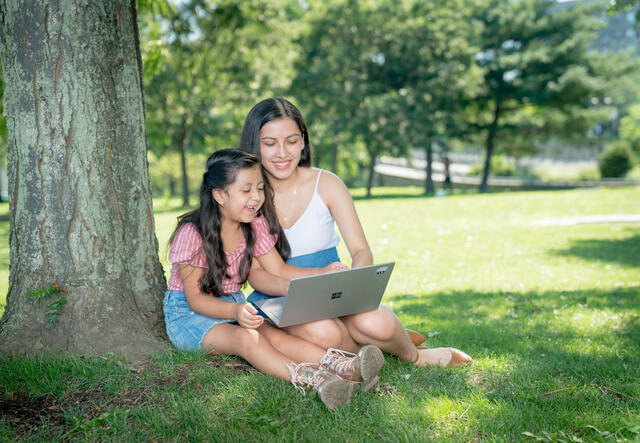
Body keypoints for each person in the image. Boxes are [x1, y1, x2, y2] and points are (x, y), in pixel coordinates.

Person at [239, 98, 472, 368]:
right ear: (255, 145)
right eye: (270, 144)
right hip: (279, 294)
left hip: (333, 287)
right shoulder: (247, 196)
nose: (282, 153)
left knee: (376, 322)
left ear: (303, 141)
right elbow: (257, 275)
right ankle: (379, 350)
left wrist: (354, 290)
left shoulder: (326, 184)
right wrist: (303, 288)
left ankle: (414, 356)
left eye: (291, 141)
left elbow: (361, 251)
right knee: (325, 333)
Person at [163, 149, 384, 410]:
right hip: (189, 315)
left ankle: (346, 368)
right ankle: (316, 380)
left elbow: (278, 270)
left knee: (273, 335)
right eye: (246, 190)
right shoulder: (192, 233)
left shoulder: (253, 226)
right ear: (219, 195)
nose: (256, 197)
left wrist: (322, 274)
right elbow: (195, 299)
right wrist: (234, 309)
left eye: (259, 188)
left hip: (234, 305)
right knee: (247, 339)